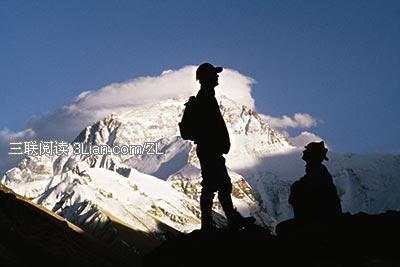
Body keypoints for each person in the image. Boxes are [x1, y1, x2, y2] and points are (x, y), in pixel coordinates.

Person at [193, 62, 255, 231]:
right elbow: (210, 125)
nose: (217, 76)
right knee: (218, 184)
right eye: (214, 74)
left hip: (208, 148)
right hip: (209, 149)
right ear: (207, 77)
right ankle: (221, 221)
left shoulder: (206, 96)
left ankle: (220, 220)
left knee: (216, 184)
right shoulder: (205, 97)